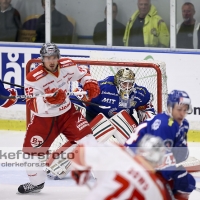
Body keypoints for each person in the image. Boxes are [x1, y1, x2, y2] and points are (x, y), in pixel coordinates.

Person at [17, 43, 100, 194]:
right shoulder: (34, 78)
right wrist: (50, 100)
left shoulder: (67, 65)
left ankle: (104, 178)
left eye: (54, 57)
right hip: (45, 119)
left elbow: (82, 73)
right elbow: (32, 104)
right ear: (42, 59)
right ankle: (37, 183)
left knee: (90, 143)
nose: (51, 61)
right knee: (29, 155)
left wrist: (88, 82)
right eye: (48, 58)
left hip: (68, 114)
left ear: (58, 58)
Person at [125, 90, 196, 199]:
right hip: (133, 163)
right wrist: (173, 175)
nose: (182, 113)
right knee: (182, 182)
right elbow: (158, 159)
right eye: (179, 109)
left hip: (149, 161)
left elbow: (180, 155)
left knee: (184, 181)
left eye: (185, 109)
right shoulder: (164, 124)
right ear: (170, 107)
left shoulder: (183, 124)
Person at [71, 134, 174, 200]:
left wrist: (80, 170)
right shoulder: (158, 190)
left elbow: (78, 152)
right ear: (159, 161)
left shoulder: (118, 152)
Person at [71, 67, 155, 144]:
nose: (127, 87)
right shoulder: (102, 88)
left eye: (130, 84)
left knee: (138, 142)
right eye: (124, 83)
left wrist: (147, 121)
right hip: (95, 116)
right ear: (117, 82)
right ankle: (80, 150)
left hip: (122, 119)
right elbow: (76, 95)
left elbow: (146, 105)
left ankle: (135, 156)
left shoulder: (139, 93)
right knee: (85, 142)